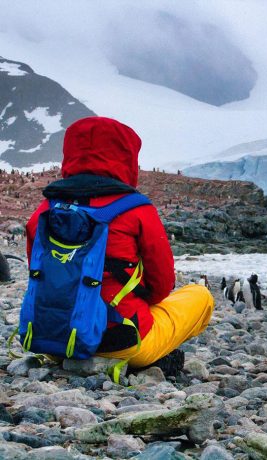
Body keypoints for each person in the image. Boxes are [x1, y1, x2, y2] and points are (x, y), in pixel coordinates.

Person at [25, 116, 214, 371]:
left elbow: (38, 273)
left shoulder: (44, 211)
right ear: (126, 157)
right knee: (201, 295)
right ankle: (146, 358)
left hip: (54, 341)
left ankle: (80, 352)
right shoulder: (136, 210)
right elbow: (161, 286)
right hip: (122, 342)